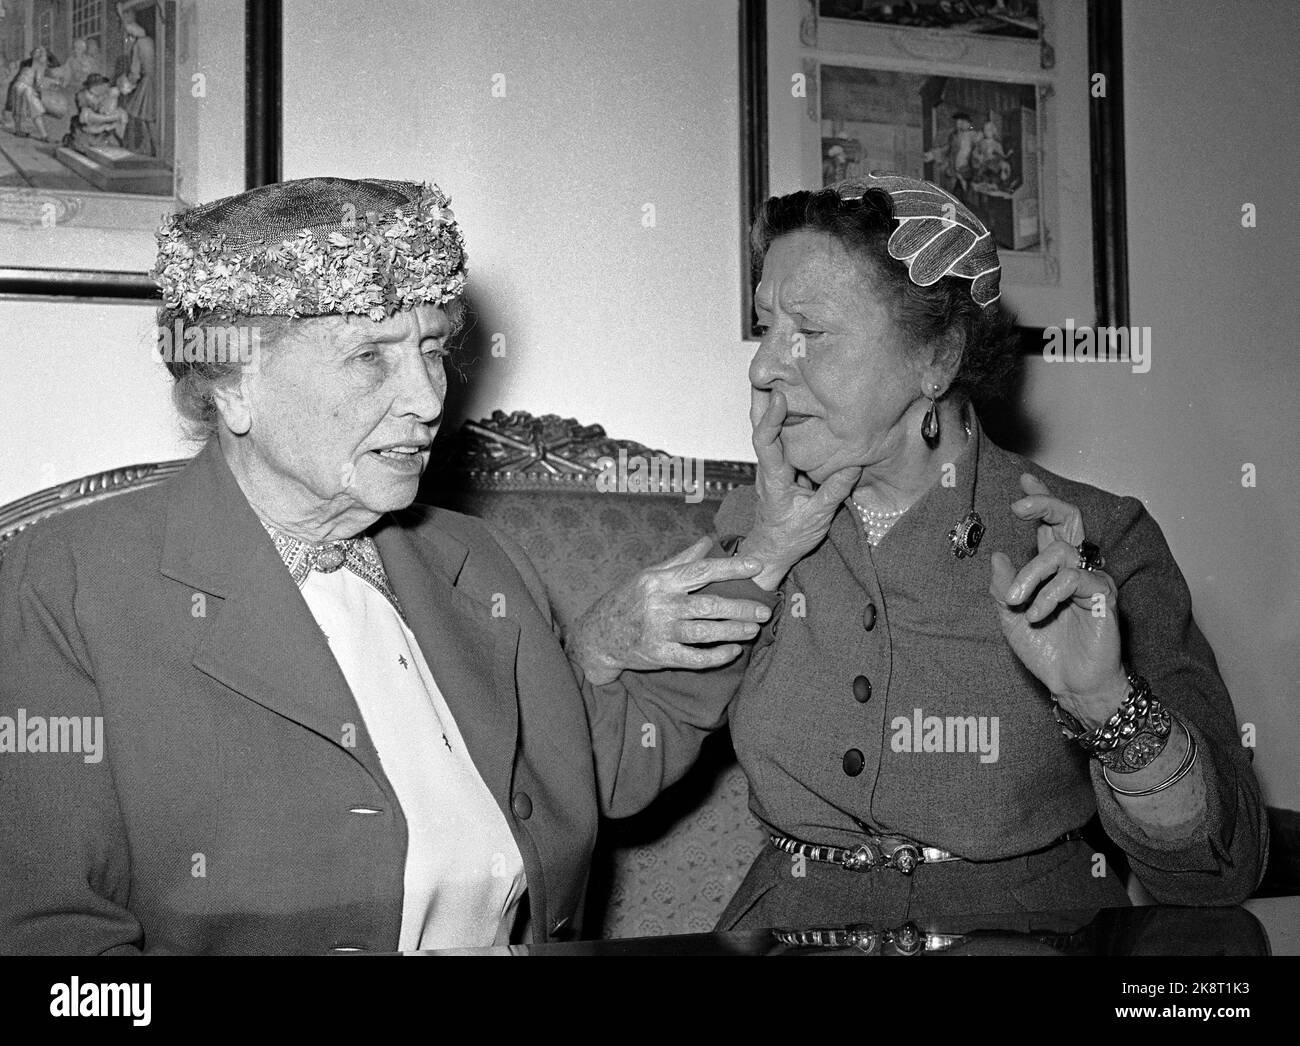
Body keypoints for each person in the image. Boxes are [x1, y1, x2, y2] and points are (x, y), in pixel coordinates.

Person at [0, 176, 766, 954]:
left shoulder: (476, 561)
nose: (430, 398)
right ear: (233, 385)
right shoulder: (68, 585)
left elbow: (591, 774)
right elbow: (56, 951)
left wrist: (767, 537)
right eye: (370, 355)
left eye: (433, 347)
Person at [568, 171, 1268, 931]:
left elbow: (1216, 875)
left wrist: (1105, 704)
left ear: (936, 358)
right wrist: (605, 641)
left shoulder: (1097, 541)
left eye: (809, 331)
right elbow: (606, 781)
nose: (764, 366)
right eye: (765, 327)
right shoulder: (754, 526)